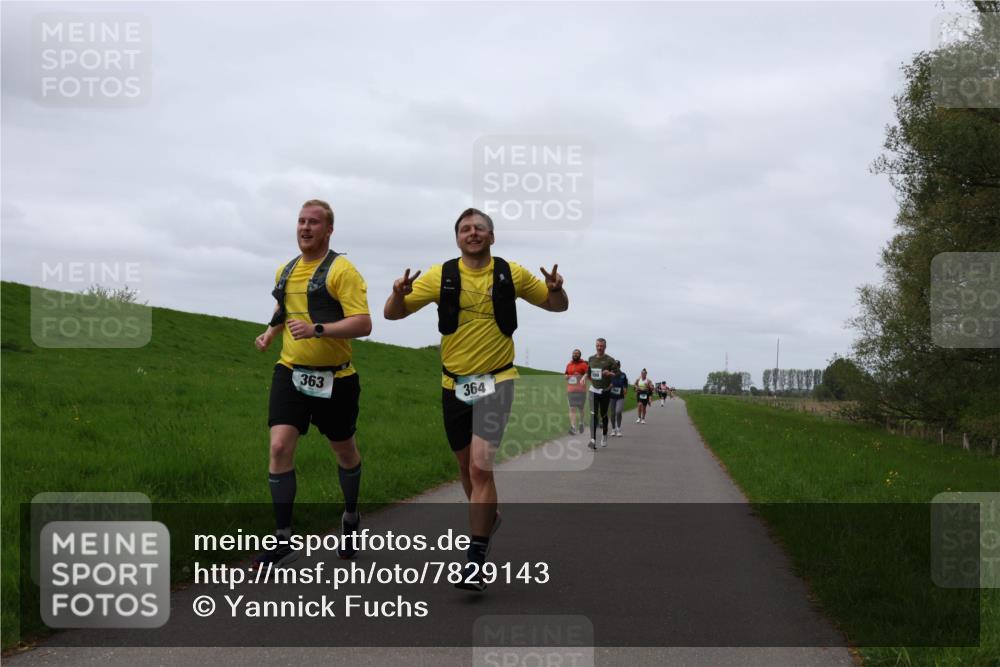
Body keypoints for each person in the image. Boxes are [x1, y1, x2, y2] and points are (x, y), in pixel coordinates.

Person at [383, 207, 568, 591]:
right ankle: (487, 518)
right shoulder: (440, 276)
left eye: (479, 228)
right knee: (467, 471)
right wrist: (397, 295)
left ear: (491, 236)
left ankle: (475, 561)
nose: (472, 233)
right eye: (465, 229)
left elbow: (558, 306)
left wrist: (555, 289)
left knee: (482, 468)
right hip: (454, 385)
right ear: (457, 238)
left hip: (498, 379)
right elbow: (392, 316)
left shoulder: (511, 273)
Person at [253, 199, 372, 566]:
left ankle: (351, 517)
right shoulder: (285, 271)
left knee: (345, 452)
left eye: (314, 223)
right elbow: (285, 309)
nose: (305, 228)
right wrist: (271, 333)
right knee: (279, 448)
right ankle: (283, 537)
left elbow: (363, 324)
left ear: (329, 230)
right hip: (290, 373)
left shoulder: (342, 271)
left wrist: (317, 328)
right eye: (301, 221)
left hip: (336, 379)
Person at [587, 338, 617, 449]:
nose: (599, 348)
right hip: (593, 390)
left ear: (605, 347)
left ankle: (604, 435)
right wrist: (586, 378)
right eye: (597, 345)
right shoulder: (591, 359)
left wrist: (609, 373)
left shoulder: (610, 360)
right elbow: (589, 372)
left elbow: (617, 374)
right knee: (593, 414)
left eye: (601, 346)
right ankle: (592, 440)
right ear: (595, 346)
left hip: (605, 391)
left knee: (603, 415)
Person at [565, 349, 589, 435]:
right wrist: (566, 376)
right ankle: (573, 427)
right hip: (571, 390)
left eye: (577, 354)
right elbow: (566, 373)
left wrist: (583, 377)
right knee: (572, 408)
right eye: (574, 353)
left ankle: (581, 423)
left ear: (580, 355)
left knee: (581, 409)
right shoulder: (569, 365)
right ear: (572, 354)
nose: (575, 355)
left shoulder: (583, 365)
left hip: (581, 391)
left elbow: (588, 373)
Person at [608, 362, 628, 438]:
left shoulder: (623, 375)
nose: (616, 367)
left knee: (618, 411)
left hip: (620, 396)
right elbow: (606, 383)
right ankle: (613, 429)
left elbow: (625, 383)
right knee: (612, 413)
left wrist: (625, 388)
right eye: (614, 366)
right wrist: (609, 386)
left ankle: (618, 429)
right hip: (612, 396)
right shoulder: (610, 375)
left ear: (619, 366)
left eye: (617, 365)